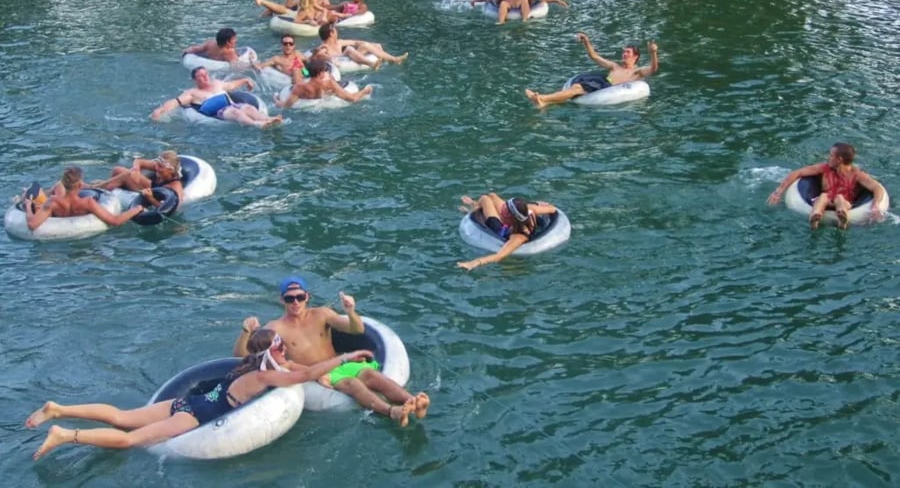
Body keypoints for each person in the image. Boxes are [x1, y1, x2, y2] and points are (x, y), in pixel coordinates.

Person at [25, 330, 382, 460]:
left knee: (121, 415)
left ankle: (59, 408)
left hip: (188, 403)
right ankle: (65, 434)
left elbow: (286, 366)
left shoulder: (246, 365)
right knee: (129, 440)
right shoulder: (263, 378)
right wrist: (348, 356)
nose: (286, 354)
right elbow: (305, 374)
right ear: (272, 353)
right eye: (282, 350)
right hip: (193, 416)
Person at [233, 276, 430, 424]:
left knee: (371, 374)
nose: (295, 302)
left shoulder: (322, 314)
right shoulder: (275, 328)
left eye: (300, 297)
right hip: (317, 373)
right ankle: (391, 412)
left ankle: (412, 401)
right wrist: (245, 332)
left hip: (341, 363)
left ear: (307, 297)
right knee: (352, 384)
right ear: (282, 300)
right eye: (290, 298)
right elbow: (243, 357)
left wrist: (350, 311)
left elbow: (356, 329)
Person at [767, 142, 888, 229]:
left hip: (844, 204)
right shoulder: (824, 168)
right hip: (824, 201)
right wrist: (778, 191)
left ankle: (842, 219)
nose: (828, 158)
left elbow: (876, 188)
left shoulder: (857, 175)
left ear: (839, 159)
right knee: (824, 196)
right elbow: (797, 173)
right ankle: (815, 218)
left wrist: (875, 205)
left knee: (840, 198)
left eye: (831, 155)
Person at [526, 34, 660, 109]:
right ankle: (545, 102)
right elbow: (594, 56)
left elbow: (653, 69)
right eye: (624, 51)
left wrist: (653, 53)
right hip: (601, 81)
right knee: (576, 87)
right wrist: (586, 42)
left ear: (635, 56)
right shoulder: (614, 66)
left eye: (628, 52)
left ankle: (543, 98)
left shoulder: (637, 72)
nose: (624, 54)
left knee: (577, 89)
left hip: (608, 88)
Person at [150, 66, 283, 128]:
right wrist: (160, 110)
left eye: (206, 74)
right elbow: (175, 102)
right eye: (201, 76)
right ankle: (257, 124)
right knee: (236, 112)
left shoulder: (217, 83)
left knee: (248, 108)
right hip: (220, 112)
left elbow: (231, 85)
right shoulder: (192, 93)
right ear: (195, 80)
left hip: (234, 105)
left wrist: (244, 81)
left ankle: (269, 118)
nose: (206, 77)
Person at [23, 166, 145, 232]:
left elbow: (32, 224)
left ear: (65, 184)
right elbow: (115, 221)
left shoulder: (53, 202)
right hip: (86, 242)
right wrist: (137, 208)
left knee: (36, 190)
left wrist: (28, 206)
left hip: (59, 246)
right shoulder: (87, 203)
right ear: (81, 185)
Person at [457, 194, 558, 270]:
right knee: (492, 195)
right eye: (505, 206)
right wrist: (538, 204)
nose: (502, 209)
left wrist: (473, 263)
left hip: (501, 229)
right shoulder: (529, 210)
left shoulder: (519, 236)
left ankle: (473, 209)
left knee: (485, 199)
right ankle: (474, 204)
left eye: (505, 210)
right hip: (511, 222)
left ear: (511, 218)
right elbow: (552, 209)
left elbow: (498, 256)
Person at [91, 151, 184, 208]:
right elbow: (139, 161)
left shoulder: (175, 188)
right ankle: (107, 186)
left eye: (160, 167)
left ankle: (93, 188)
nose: (156, 168)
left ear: (170, 170)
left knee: (125, 176)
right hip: (151, 187)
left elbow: (167, 208)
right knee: (117, 170)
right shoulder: (160, 167)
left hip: (151, 196)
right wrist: (136, 169)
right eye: (157, 165)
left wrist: (150, 198)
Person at [273, 58, 373, 108]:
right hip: (324, 104)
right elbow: (352, 99)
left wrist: (276, 99)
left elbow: (286, 106)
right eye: (325, 70)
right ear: (321, 72)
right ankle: (367, 90)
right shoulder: (328, 83)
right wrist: (365, 91)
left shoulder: (299, 87)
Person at [315, 22, 408, 69]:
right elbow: (320, 55)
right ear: (331, 33)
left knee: (372, 45)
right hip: (340, 61)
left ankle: (393, 60)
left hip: (348, 59)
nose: (337, 32)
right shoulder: (324, 46)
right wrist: (330, 58)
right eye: (335, 30)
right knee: (349, 49)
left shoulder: (339, 42)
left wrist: (373, 45)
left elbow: (355, 42)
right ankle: (372, 64)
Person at [181, 28, 247, 65]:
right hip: (220, 69)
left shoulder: (211, 43)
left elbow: (196, 49)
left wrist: (185, 52)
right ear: (227, 42)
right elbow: (238, 66)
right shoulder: (229, 52)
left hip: (208, 61)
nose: (236, 40)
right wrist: (252, 64)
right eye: (234, 39)